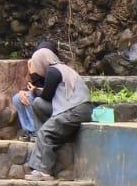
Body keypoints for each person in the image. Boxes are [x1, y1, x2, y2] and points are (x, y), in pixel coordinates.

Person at [13, 46, 92, 179]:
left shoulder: (53, 71)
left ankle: (44, 172)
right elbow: (43, 99)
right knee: (37, 104)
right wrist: (36, 91)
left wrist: (35, 89)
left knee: (46, 132)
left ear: (41, 62)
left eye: (36, 63)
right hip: (75, 108)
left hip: (75, 110)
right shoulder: (60, 68)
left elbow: (46, 95)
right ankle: (39, 146)